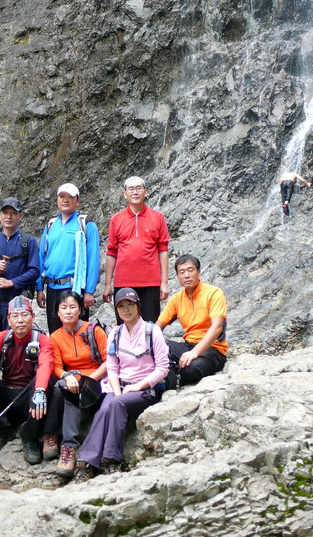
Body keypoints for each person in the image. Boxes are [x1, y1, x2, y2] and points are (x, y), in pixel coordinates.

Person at [75, 288, 169, 481]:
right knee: (104, 409)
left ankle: (111, 458)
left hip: (144, 388)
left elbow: (162, 368)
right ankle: (87, 461)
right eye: (121, 306)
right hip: (119, 387)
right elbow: (112, 367)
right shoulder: (115, 333)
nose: (126, 310)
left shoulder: (153, 332)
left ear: (137, 306)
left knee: (116, 404)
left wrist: (139, 386)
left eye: (130, 305)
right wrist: (117, 392)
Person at [0, 295, 53, 463]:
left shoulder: (42, 340)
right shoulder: (1, 338)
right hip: (7, 396)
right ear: (8, 319)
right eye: (15, 316)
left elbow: (45, 365)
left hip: (30, 399)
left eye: (25, 315)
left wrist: (40, 390)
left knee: (45, 382)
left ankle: (30, 437)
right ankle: (2, 430)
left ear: (33, 316)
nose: (20, 320)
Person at [43, 290, 108, 479]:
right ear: (58, 312)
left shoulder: (94, 330)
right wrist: (67, 376)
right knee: (59, 387)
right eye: (64, 308)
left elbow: (108, 361)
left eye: (73, 307)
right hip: (72, 380)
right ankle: (51, 435)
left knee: (70, 390)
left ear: (80, 310)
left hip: (96, 381)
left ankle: (68, 446)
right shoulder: (55, 337)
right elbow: (55, 366)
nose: (68, 311)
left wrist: (90, 379)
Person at [0, 196, 40, 354]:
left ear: (21, 216)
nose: (9, 217)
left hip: (17, 307)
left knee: (15, 352)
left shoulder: (28, 242)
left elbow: (35, 271)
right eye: (5, 213)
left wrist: (11, 282)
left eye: (13, 213)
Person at [103, 176, 170, 323]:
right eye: (131, 189)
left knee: (150, 325)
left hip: (150, 282)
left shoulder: (158, 217)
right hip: (123, 282)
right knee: (125, 325)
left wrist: (164, 283)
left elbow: (163, 250)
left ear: (146, 192)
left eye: (139, 188)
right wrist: (108, 285)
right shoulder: (116, 219)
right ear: (125, 194)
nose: (135, 192)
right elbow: (111, 252)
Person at [36, 183, 100, 334]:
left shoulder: (85, 224)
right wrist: (39, 288)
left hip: (75, 288)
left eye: (70, 197)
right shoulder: (51, 225)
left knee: (78, 333)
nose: (65, 200)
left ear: (77, 200)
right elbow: (41, 257)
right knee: (55, 333)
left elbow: (93, 259)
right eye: (62, 196)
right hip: (52, 288)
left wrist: (89, 291)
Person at [156, 255, 228, 390]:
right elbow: (156, 328)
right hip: (188, 346)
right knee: (153, 346)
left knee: (191, 369)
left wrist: (195, 352)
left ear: (199, 272)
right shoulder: (177, 299)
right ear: (177, 276)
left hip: (212, 349)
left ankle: (174, 375)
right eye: (182, 272)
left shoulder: (213, 293)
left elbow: (217, 327)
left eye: (191, 270)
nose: (187, 275)